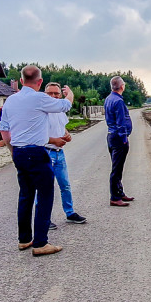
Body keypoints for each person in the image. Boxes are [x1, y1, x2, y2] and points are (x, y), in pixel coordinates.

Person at [0, 65, 74, 256]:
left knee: (25, 195)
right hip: (37, 152)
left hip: (19, 152)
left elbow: (4, 130)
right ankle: (41, 242)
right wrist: (70, 94)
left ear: (21, 81)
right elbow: (65, 106)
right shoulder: (40, 98)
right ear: (40, 82)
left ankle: (24, 239)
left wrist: (12, 151)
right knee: (46, 195)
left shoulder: (10, 101)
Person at [40, 82, 87, 227]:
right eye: (50, 93)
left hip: (59, 153)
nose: (54, 96)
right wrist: (54, 140)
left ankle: (70, 213)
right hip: (45, 152)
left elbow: (63, 128)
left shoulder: (60, 110)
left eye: (56, 94)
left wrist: (67, 135)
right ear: (44, 94)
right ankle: (43, 219)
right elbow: (36, 135)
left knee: (65, 185)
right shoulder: (41, 111)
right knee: (44, 188)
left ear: (60, 95)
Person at [104, 75, 134, 207]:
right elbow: (120, 122)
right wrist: (124, 139)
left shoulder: (108, 99)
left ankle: (120, 192)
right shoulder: (118, 101)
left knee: (118, 167)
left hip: (111, 136)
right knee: (117, 169)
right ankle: (115, 197)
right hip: (118, 138)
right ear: (122, 86)